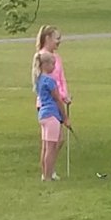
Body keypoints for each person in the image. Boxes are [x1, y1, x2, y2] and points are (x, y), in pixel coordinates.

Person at [33, 25, 71, 175]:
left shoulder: (55, 57)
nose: (59, 42)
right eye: (57, 38)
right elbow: (51, 85)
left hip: (57, 101)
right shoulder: (43, 58)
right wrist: (64, 112)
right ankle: (48, 173)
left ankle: (49, 170)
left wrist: (66, 95)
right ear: (47, 38)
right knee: (52, 142)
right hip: (52, 105)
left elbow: (61, 79)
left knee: (54, 141)